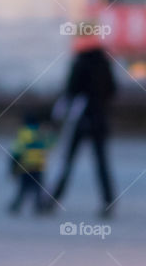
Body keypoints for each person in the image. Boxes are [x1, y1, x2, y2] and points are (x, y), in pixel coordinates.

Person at [50, 35, 117, 218]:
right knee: (102, 163)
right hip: (100, 119)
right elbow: (112, 90)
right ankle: (108, 201)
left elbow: (70, 90)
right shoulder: (104, 62)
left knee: (67, 160)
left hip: (78, 120)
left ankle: (52, 198)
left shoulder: (80, 62)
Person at [8, 111, 53, 215]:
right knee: (38, 188)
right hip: (38, 166)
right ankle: (39, 206)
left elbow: (17, 150)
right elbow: (50, 144)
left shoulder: (23, 134)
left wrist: (13, 165)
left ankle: (16, 205)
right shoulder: (41, 133)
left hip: (25, 166)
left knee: (23, 188)